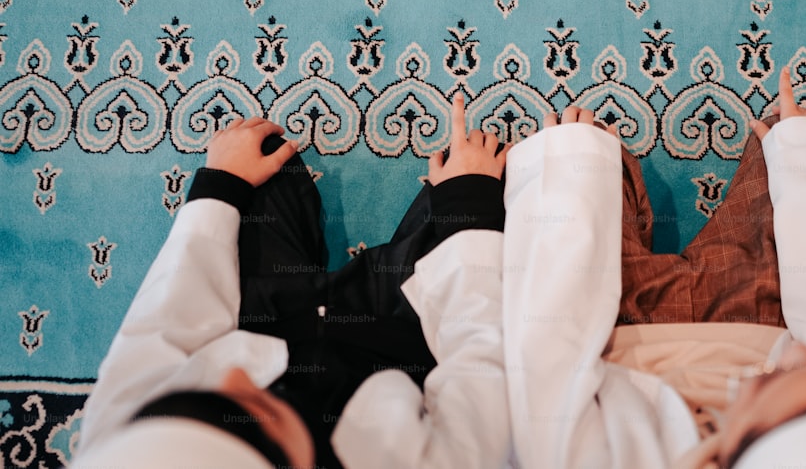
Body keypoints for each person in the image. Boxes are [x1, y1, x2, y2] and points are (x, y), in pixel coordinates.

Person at [501, 67, 806, 468]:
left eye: (777, 382)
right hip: (759, 318)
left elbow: (546, 363)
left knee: (583, 154)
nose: (802, 354)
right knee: (787, 136)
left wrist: (562, 178)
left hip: (616, 334)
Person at [72, 95, 513, 468]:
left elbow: (163, 323)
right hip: (391, 340)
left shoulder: (120, 443)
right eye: (258, 408)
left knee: (261, 161)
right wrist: (470, 209)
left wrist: (220, 187)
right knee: (487, 189)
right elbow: (478, 362)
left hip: (266, 320)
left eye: (208, 392)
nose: (238, 378)